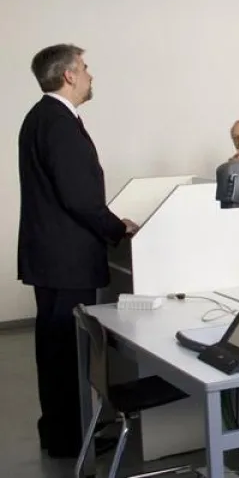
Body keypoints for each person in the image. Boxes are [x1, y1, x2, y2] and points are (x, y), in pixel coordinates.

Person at [18, 44, 139, 458]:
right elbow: (78, 197)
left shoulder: (41, 118)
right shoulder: (58, 122)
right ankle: (71, 440)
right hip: (66, 260)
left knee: (54, 351)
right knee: (65, 353)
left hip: (51, 258)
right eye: (85, 68)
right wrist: (116, 227)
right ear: (69, 75)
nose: (90, 75)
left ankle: (62, 434)